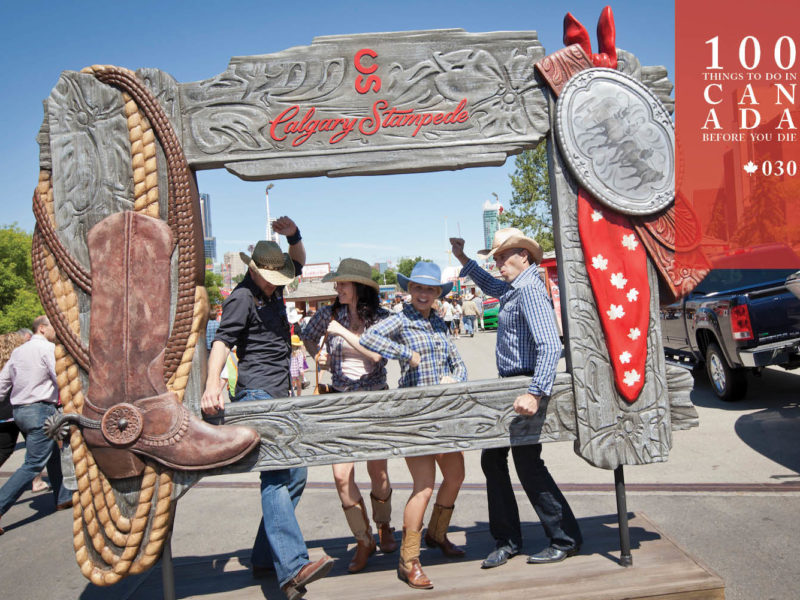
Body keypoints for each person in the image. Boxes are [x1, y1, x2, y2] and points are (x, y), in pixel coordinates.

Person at [201, 217, 333, 600]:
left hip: (280, 395)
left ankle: (263, 556)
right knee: (276, 476)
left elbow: (299, 260)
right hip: (257, 395)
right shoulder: (241, 297)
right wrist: (213, 386)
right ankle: (292, 568)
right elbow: (223, 342)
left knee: (297, 475)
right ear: (256, 270)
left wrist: (293, 235)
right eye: (272, 277)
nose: (279, 283)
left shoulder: (272, 292)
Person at [450, 228, 582, 568]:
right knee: (497, 462)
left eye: (502, 256)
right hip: (512, 386)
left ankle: (561, 538)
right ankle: (511, 540)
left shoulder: (529, 292)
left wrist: (535, 392)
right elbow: (490, 285)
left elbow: (551, 346)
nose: (497, 263)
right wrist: (464, 259)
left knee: (525, 464)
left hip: (523, 386)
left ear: (524, 255)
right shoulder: (515, 288)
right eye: (494, 257)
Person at [360, 261, 468, 590]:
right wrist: (406, 355)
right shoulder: (400, 318)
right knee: (423, 486)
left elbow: (458, 361)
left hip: (443, 413)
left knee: (456, 475)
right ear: (410, 290)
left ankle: (436, 534)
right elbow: (369, 337)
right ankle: (409, 559)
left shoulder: (438, 321)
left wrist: (456, 377)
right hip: (416, 416)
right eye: (418, 288)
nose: (423, 294)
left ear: (437, 293)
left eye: (430, 289)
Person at [300, 258, 398, 573]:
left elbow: (377, 354)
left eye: (342, 283)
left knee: (378, 474)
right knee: (341, 476)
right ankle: (363, 539)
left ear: (358, 287)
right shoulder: (328, 314)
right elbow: (307, 337)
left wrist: (340, 332)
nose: (337, 288)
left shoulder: (381, 318)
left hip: (373, 399)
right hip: (341, 401)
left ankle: (384, 525)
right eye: (337, 283)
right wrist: (319, 355)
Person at [0, 316, 74, 535]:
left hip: (20, 411)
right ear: (42, 329)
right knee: (33, 464)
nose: (57, 331)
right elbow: (60, 378)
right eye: (53, 327)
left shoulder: (18, 352)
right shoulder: (47, 349)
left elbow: (2, 385)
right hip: (41, 409)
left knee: (51, 453)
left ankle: (63, 497)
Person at [0, 332, 26, 469]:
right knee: (39, 453)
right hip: (16, 411)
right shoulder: (18, 362)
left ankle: (36, 480)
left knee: (4, 449)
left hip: (4, 415)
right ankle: (36, 481)